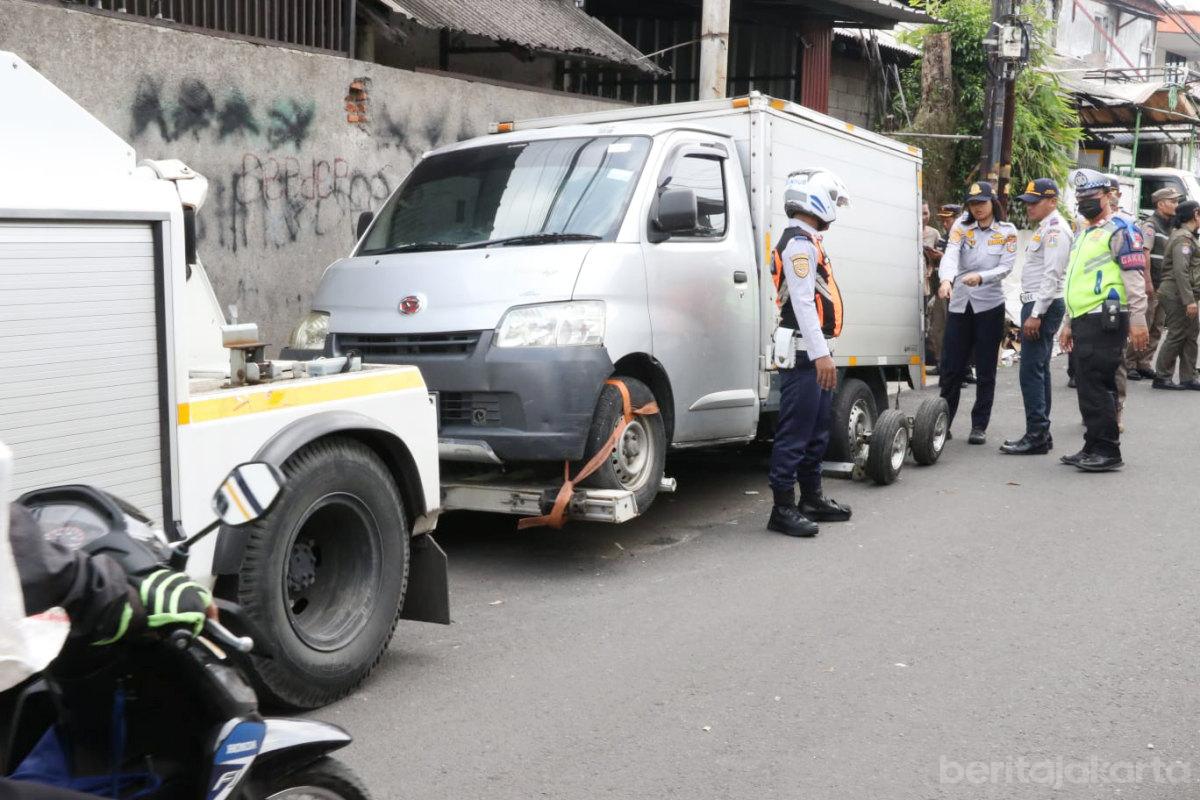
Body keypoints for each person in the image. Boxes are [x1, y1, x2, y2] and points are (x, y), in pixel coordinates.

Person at [767, 169, 852, 538]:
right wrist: (821, 356)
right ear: (816, 200)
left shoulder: (808, 239)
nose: (835, 208)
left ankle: (811, 498)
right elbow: (802, 303)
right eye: (832, 200)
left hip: (812, 351)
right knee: (796, 432)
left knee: (816, 430)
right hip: (804, 353)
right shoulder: (799, 243)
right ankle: (782, 509)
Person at [1058, 169, 1149, 472]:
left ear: (1108, 196)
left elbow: (1134, 279)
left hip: (1105, 319)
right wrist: (1068, 322)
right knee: (1087, 385)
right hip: (1085, 318)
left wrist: (1138, 321)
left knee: (1097, 385)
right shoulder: (1084, 233)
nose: (1085, 203)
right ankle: (1092, 445)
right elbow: (1076, 282)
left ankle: (1108, 450)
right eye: (1080, 198)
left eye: (1091, 198)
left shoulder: (1122, 229)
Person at [936, 181, 1017, 444]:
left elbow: (1006, 267)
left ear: (993, 202)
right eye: (972, 204)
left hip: (989, 306)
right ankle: (941, 422)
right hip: (960, 304)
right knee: (951, 367)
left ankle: (979, 425)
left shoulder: (1007, 231)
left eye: (981, 203)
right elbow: (950, 254)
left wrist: (980, 277)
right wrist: (946, 280)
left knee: (985, 369)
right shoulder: (961, 226)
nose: (977, 209)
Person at [1000, 179, 1072, 455]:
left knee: (1030, 370)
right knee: (1038, 368)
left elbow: (1052, 275)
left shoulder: (1055, 230)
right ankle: (1041, 432)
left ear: (1052, 201)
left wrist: (1036, 313)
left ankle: (1037, 434)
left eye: (1035, 201)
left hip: (1043, 304)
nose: (1028, 206)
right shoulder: (1046, 228)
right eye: (1027, 201)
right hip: (1039, 303)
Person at [1127, 187, 1179, 380]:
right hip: (1151, 283)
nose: (1176, 205)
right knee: (1144, 322)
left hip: (1164, 284)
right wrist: (1147, 281)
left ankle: (1144, 363)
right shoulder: (1151, 225)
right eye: (1172, 201)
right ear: (1160, 204)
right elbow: (1144, 253)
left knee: (1157, 326)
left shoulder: (1170, 225)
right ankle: (1130, 362)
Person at [1152, 200, 1200, 390]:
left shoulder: (1189, 237)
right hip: (1176, 293)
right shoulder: (1183, 239)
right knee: (1178, 333)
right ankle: (1162, 376)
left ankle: (1189, 377)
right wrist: (1189, 300)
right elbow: (1181, 271)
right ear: (1195, 214)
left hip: (1184, 293)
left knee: (1191, 334)